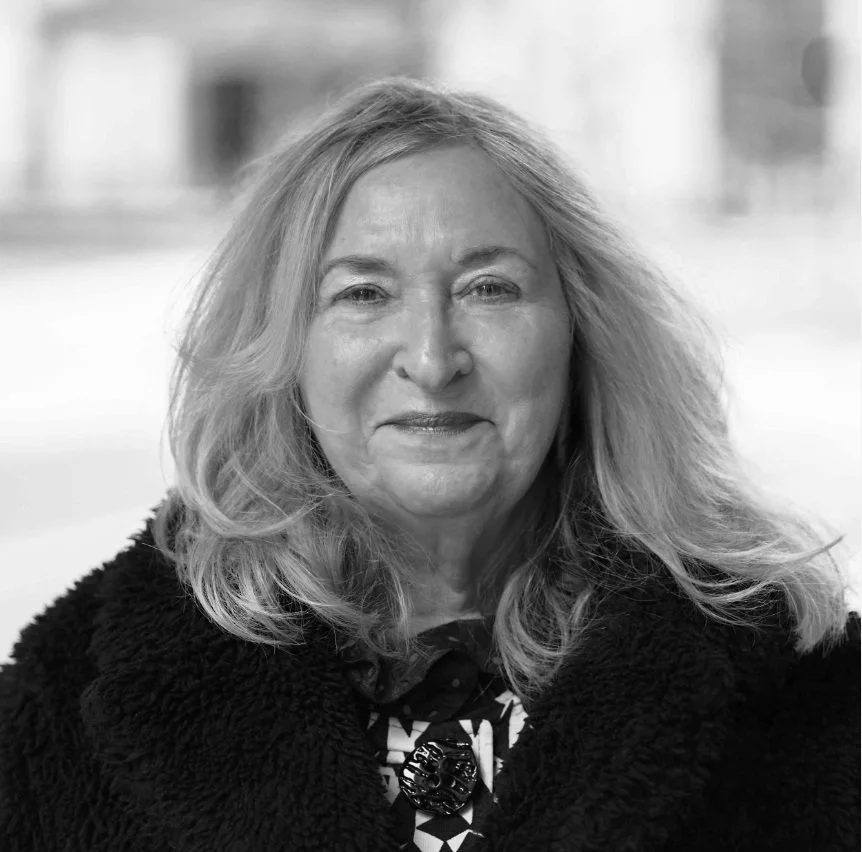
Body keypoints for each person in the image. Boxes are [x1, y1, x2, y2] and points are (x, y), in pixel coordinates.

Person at [0, 78, 858, 852]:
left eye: (489, 287)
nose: (432, 356)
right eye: (363, 294)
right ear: (284, 352)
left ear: (581, 333)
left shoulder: (810, 694)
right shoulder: (69, 707)